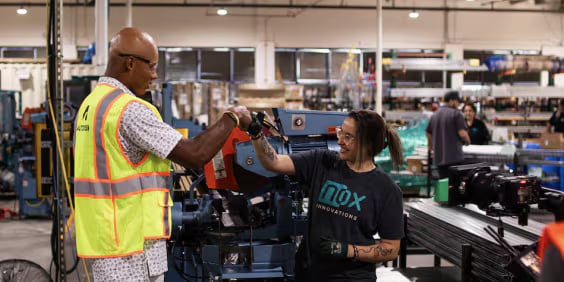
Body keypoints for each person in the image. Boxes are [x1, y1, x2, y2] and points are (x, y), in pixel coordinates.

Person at [73, 27, 251, 282]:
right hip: (130, 250)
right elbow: (195, 154)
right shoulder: (129, 110)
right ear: (131, 63)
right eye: (152, 66)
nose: (155, 75)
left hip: (105, 240)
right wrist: (232, 116)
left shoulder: (92, 104)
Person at [249, 110, 404, 282]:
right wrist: (256, 133)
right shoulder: (323, 162)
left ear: (367, 144)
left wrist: (348, 250)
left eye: (348, 137)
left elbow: (391, 248)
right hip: (308, 273)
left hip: (350, 277)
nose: (339, 141)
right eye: (340, 132)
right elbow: (274, 162)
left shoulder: (386, 190)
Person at [426, 91, 471, 179]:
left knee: (444, 184)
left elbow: (428, 133)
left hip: (439, 158)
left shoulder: (435, 115)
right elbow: (462, 133)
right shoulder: (456, 114)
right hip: (454, 158)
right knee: (454, 186)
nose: (458, 105)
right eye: (458, 102)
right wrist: (468, 141)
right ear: (452, 101)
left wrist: (431, 146)